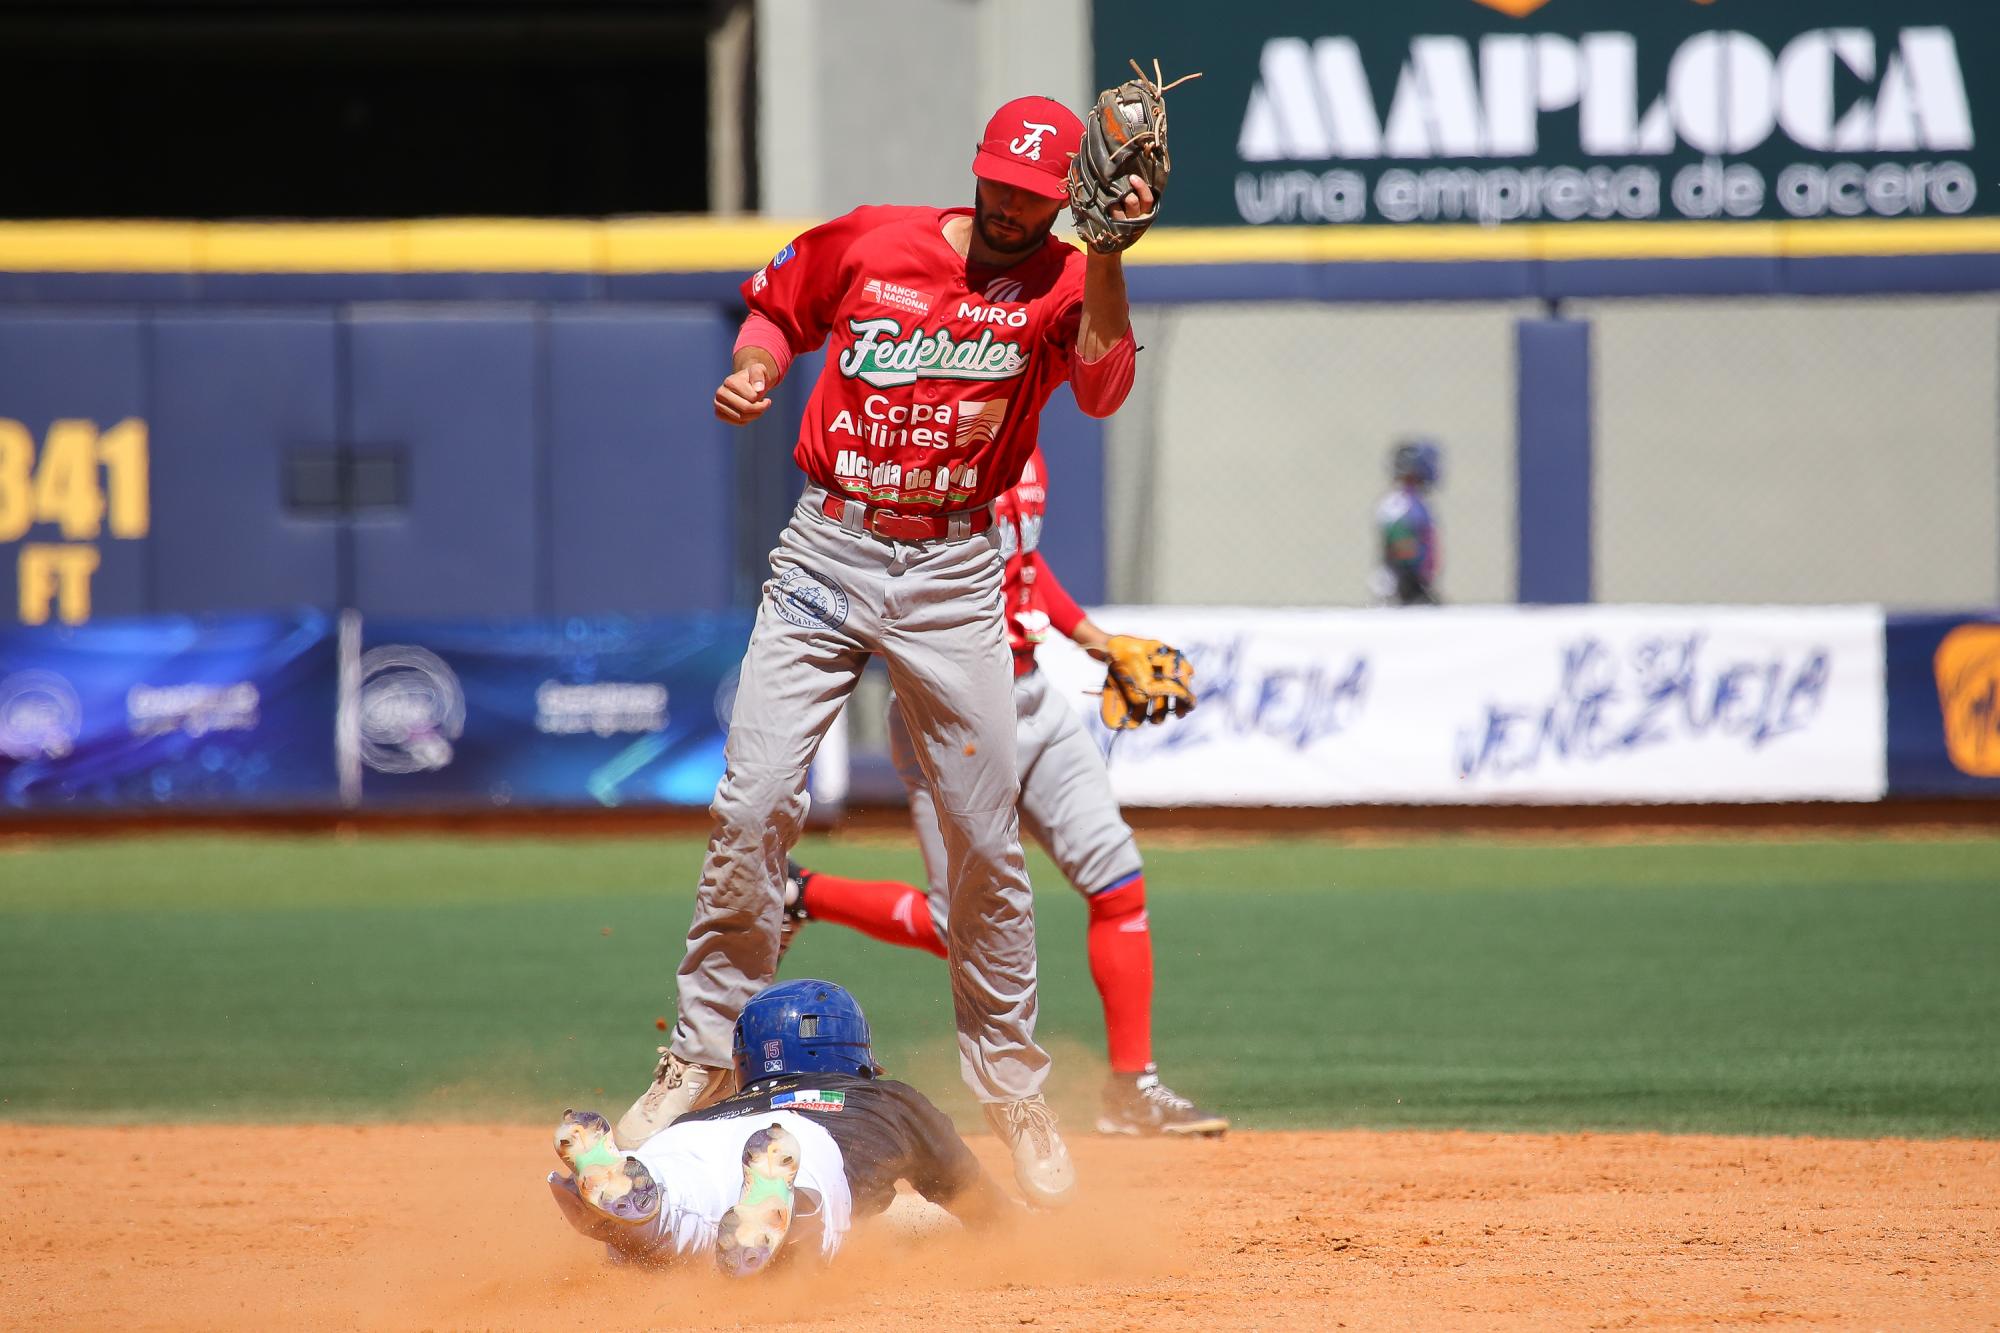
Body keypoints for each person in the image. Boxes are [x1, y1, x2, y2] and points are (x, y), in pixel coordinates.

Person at [616, 93, 1157, 1211]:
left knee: (981, 845)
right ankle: (702, 1047)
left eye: (1036, 195)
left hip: (955, 572)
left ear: (1068, 201)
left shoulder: (1061, 278)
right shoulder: (876, 239)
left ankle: (1011, 1089)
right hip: (828, 545)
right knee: (751, 800)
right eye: (998, 183)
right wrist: (758, 367)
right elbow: (777, 303)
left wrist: (1104, 257)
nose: (1012, 207)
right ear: (975, 171)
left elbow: (1102, 386)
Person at [780, 448, 1227, 1138]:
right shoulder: (927, 451)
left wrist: (1097, 642)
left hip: (1037, 696)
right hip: (952, 712)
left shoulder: (1030, 443)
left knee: (1117, 882)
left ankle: (1132, 1087)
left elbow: (1023, 562)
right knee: (953, 924)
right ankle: (800, 892)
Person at [551, 980, 1010, 1275]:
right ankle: (782, 1213)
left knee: (677, 1203)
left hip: (689, 1137)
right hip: (795, 1144)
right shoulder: (885, 1099)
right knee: (809, 1199)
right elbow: (980, 1204)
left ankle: (635, 1216)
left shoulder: (703, 1113)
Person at [1370, 438, 1442, 606]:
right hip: (1405, 587)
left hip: (1413, 584)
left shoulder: (1412, 502)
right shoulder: (1402, 505)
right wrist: (1412, 587)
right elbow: (1401, 550)